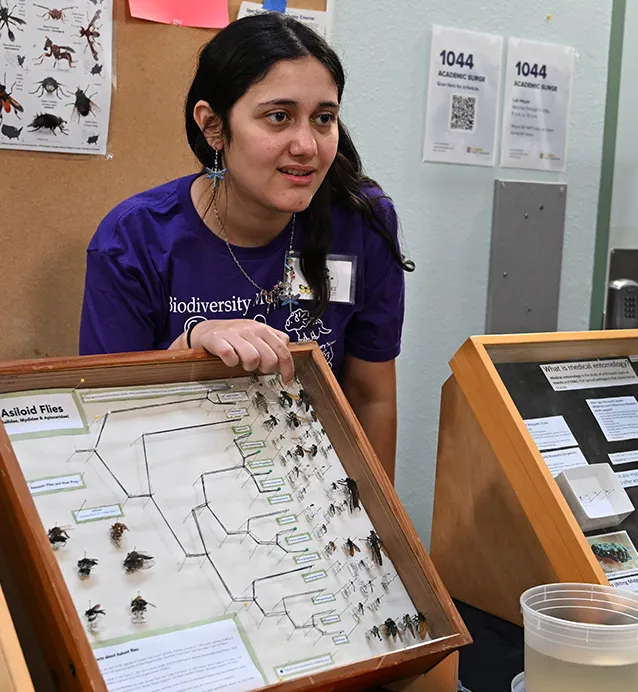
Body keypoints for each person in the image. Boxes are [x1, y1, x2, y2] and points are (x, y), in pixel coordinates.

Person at [78, 13, 412, 481]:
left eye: (323, 118)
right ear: (213, 126)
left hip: (311, 491)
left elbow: (371, 396)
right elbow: (108, 420)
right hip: (174, 486)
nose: (306, 145)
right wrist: (189, 347)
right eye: (278, 117)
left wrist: (381, 533)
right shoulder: (135, 238)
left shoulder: (362, 222)